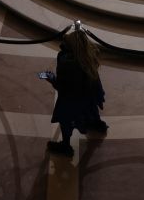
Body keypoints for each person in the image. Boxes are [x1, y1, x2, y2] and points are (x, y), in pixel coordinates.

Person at [42, 29, 106, 158]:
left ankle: (66, 146)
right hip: (89, 97)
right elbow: (95, 80)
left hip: (71, 101)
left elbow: (62, 85)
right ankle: (96, 124)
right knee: (91, 111)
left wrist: (50, 78)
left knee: (65, 121)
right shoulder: (89, 56)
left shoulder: (66, 62)